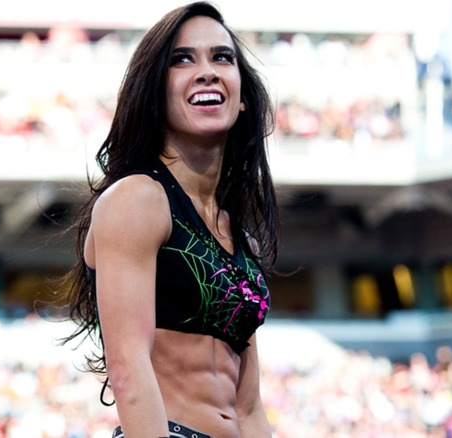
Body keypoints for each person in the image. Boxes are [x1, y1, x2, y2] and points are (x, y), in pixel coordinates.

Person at [46, 2, 279, 437]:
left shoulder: (240, 234)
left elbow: (249, 406)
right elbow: (129, 370)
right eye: (182, 59)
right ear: (155, 91)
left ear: (243, 96)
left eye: (222, 57)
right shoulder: (137, 200)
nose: (207, 71)